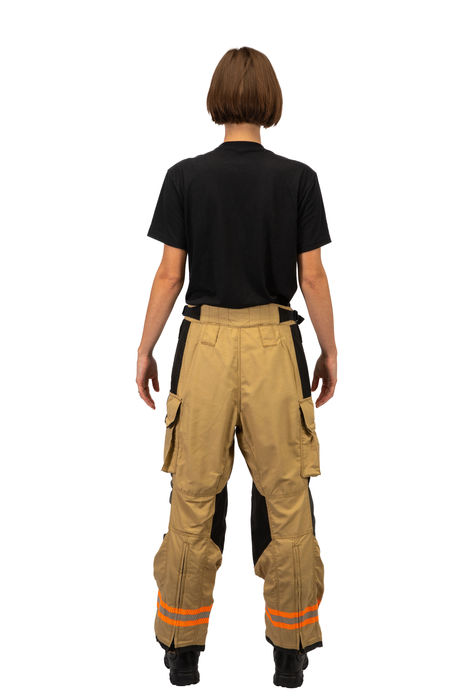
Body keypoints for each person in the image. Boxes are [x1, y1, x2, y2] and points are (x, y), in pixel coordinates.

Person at [136, 46, 337, 688]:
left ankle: (182, 651)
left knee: (193, 494)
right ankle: (290, 652)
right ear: (270, 100)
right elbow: (312, 276)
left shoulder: (185, 177)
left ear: (217, 97)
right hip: (276, 343)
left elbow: (170, 275)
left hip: (204, 344)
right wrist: (330, 350)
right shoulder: (298, 179)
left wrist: (144, 347)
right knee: (287, 497)